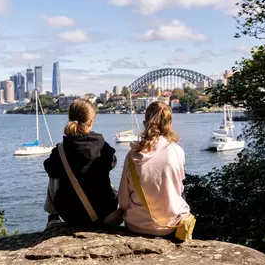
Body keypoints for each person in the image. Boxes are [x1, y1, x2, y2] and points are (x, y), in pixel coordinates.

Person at [118, 101, 190, 237]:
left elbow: (123, 202)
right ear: (169, 125)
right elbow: (179, 191)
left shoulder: (132, 156)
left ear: (145, 123)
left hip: (135, 225)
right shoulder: (177, 152)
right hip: (170, 226)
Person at [44, 98, 118, 228]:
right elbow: (113, 162)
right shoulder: (102, 146)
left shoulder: (61, 150)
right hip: (105, 211)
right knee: (103, 173)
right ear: (91, 121)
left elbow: (48, 167)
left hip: (72, 214)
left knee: (54, 175)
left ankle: (53, 217)